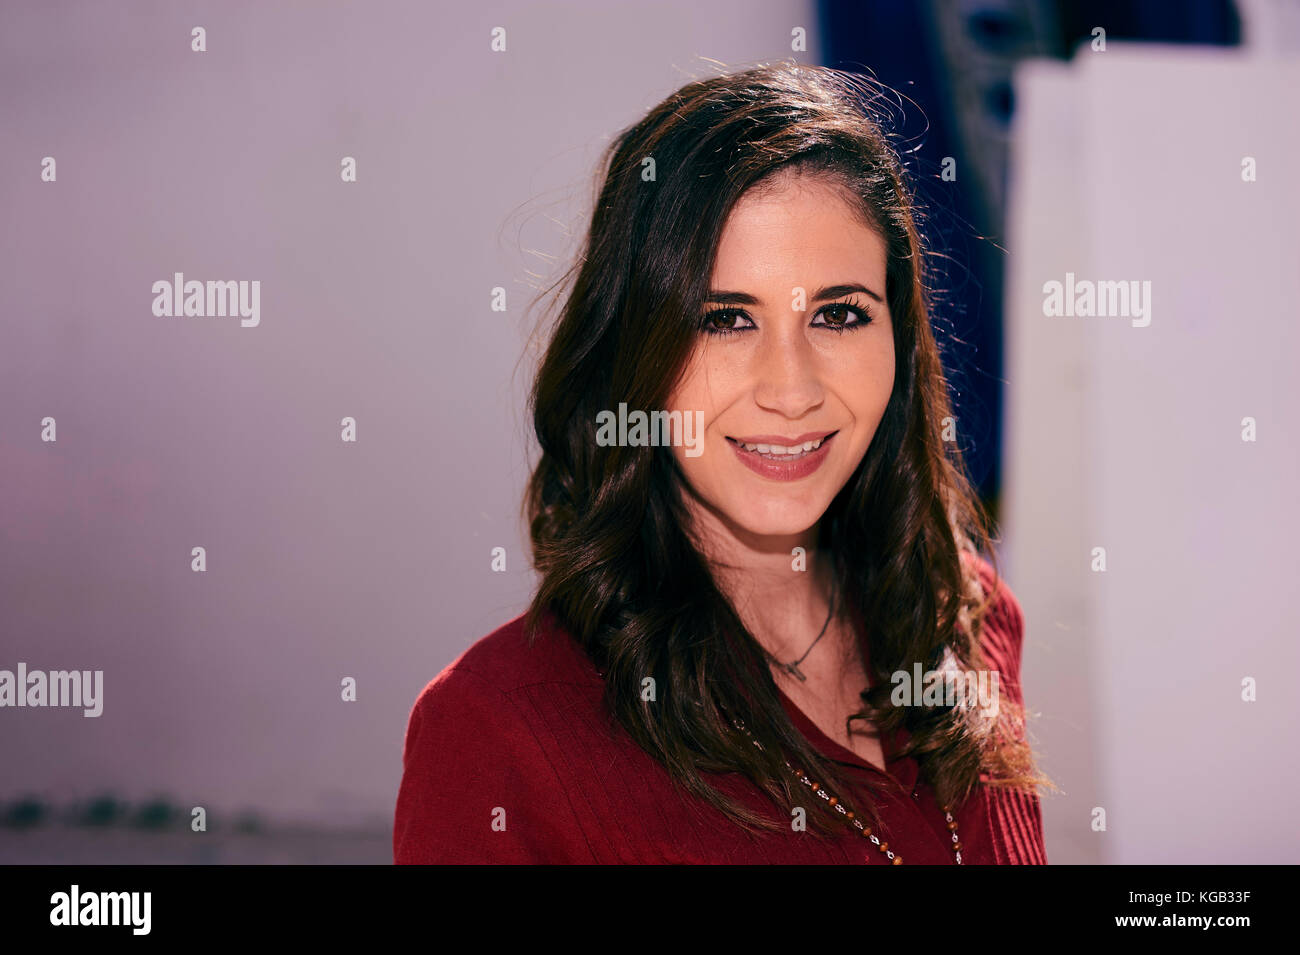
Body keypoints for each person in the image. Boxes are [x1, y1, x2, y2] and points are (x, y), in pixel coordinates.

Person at [395, 62, 1050, 864]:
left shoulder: (972, 622)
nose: (792, 388)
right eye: (726, 319)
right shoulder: (497, 731)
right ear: (634, 351)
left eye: (840, 315)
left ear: (899, 342)